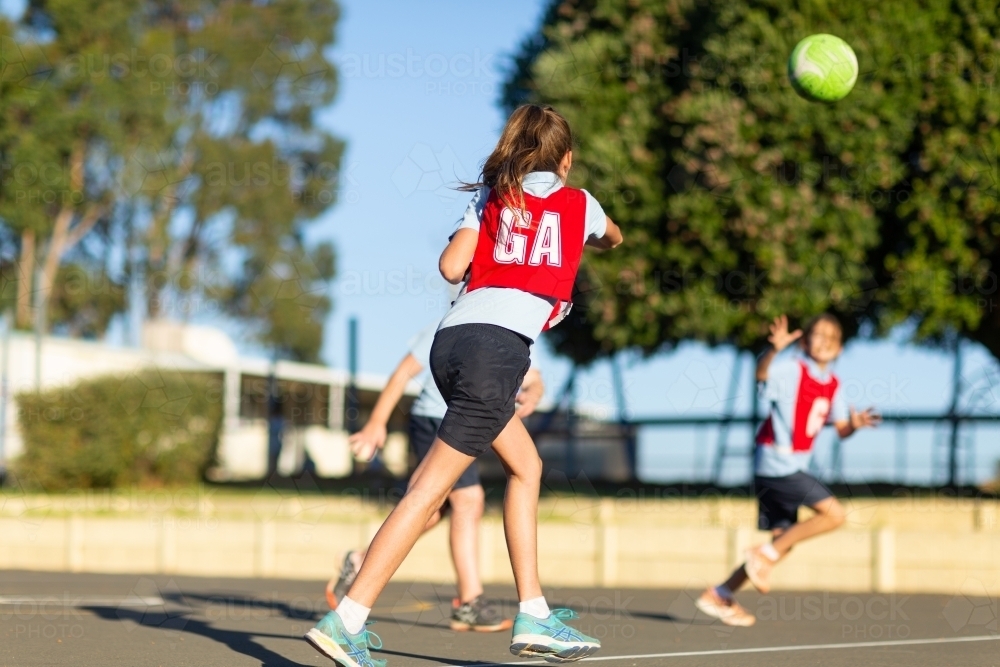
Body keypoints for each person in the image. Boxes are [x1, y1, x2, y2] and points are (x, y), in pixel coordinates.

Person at [304, 103, 623, 667]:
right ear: (566, 160)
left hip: (451, 343)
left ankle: (534, 612)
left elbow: (452, 269)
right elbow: (614, 238)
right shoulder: (580, 204)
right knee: (428, 491)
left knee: (527, 467)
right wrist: (582, 237)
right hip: (496, 352)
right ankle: (347, 618)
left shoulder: (490, 195)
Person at [326, 318, 545, 633]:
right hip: (436, 418)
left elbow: (535, 378)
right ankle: (470, 601)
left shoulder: (522, 330)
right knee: (469, 501)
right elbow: (404, 372)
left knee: (434, 508)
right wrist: (376, 422)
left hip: (481, 417)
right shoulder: (466, 321)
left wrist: (533, 392)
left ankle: (360, 560)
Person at [696, 313, 881, 627]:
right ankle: (761, 556)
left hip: (789, 467)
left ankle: (721, 592)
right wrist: (773, 351)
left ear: (838, 348)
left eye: (831, 336)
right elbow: (762, 377)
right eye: (817, 334)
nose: (824, 341)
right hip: (776, 463)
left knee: (784, 540)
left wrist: (854, 425)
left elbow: (839, 430)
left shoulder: (833, 384)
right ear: (806, 341)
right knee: (834, 515)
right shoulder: (793, 370)